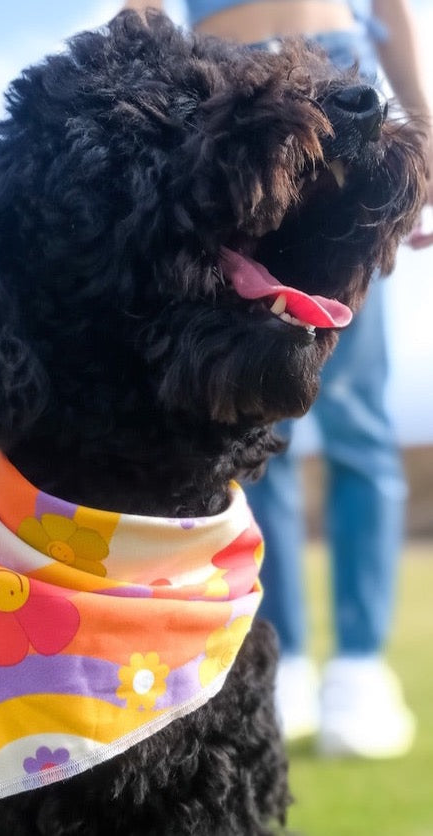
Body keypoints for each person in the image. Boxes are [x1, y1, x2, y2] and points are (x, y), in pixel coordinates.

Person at [123, 0, 433, 758]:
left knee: (352, 409)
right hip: (225, 96)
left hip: (331, 65)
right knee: (258, 419)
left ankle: (356, 672)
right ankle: (282, 656)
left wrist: (422, 134)